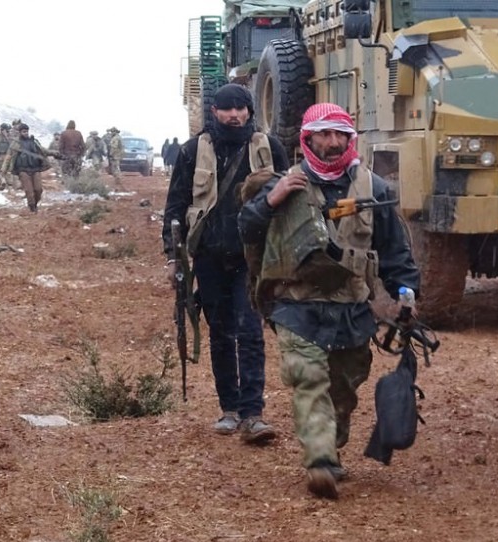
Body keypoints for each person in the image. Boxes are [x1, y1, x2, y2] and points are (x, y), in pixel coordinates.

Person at [238, 102, 420, 499]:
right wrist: (271, 199)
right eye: (323, 134)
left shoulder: (375, 189)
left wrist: (406, 294)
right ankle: (319, 461)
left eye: (341, 134)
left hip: (353, 308)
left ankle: (330, 448)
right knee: (308, 378)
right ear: (308, 139)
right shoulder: (285, 183)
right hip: (296, 304)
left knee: (344, 387)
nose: (332, 142)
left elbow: (395, 253)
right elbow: (246, 227)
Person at [162, 83, 288, 443]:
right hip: (209, 257)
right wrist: (173, 257)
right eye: (226, 109)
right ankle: (229, 409)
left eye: (240, 108)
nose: (234, 115)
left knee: (250, 331)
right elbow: (175, 206)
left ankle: (253, 413)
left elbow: (292, 198)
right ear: (214, 112)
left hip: (254, 256)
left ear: (250, 111)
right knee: (220, 332)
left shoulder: (269, 147)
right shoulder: (192, 151)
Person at [1, 122, 52, 212]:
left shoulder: (34, 142)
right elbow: (8, 157)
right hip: (23, 170)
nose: (26, 133)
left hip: (35, 169)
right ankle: (32, 206)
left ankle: (35, 204)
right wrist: (3, 170)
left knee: (38, 190)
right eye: (24, 132)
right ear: (20, 132)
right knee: (29, 191)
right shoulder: (15, 144)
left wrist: (55, 153)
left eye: (27, 131)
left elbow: (43, 150)